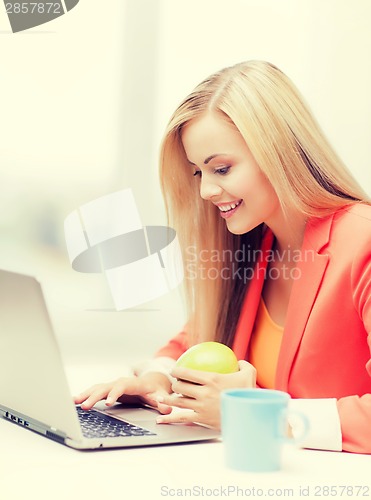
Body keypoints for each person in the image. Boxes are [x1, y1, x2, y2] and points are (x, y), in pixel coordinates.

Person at [75, 60, 371, 454]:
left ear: (279, 152)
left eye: (222, 168)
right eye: (199, 173)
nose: (206, 191)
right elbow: (186, 345)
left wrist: (252, 414)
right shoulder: (254, 245)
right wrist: (159, 379)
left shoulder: (362, 241)